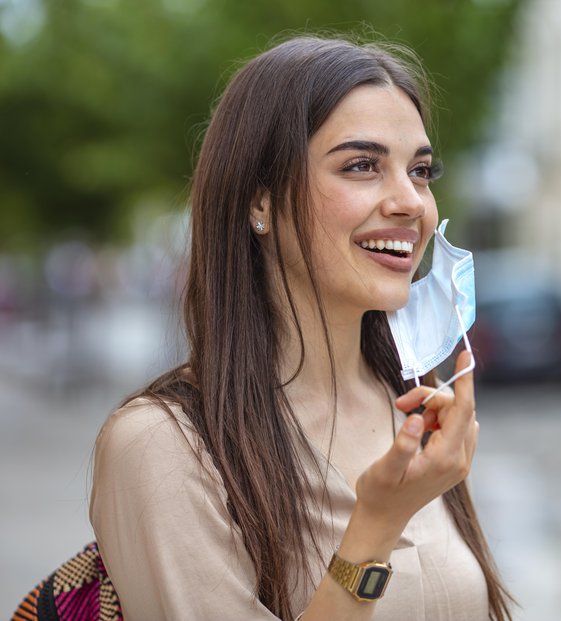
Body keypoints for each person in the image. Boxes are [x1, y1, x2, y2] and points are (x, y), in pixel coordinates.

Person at [89, 35, 514, 621]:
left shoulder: (415, 406)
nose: (410, 202)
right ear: (259, 201)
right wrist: (378, 525)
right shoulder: (166, 447)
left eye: (420, 170)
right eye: (362, 166)